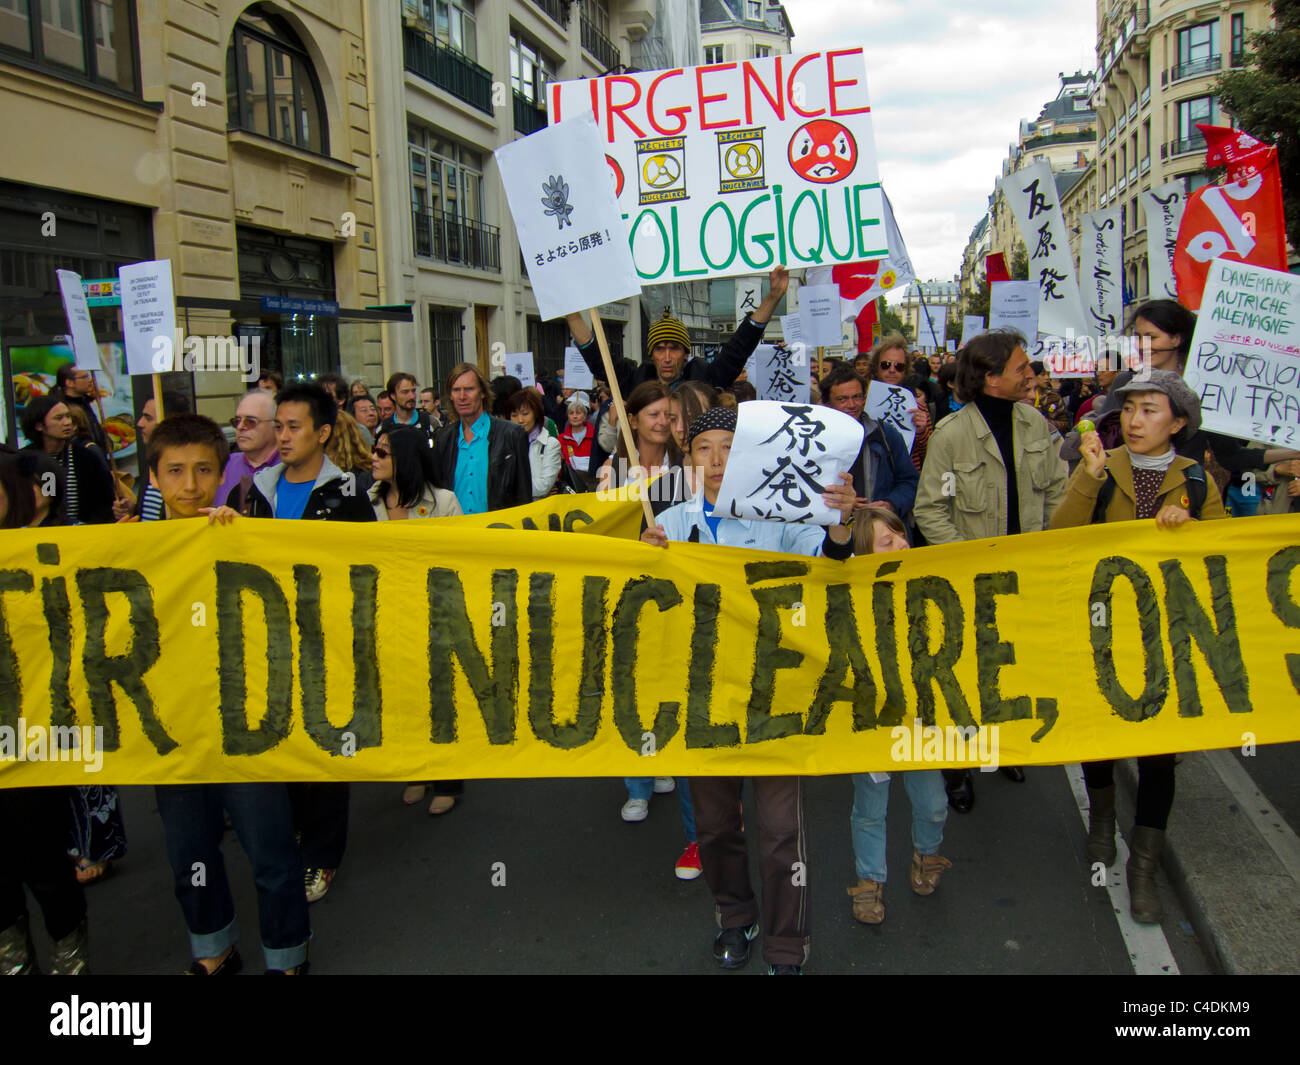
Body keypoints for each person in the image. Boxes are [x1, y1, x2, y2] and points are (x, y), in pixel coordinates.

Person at [641, 406, 856, 974]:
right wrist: (644, 563)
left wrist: (838, 523)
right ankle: (736, 916)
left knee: (782, 831)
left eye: (728, 448)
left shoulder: (776, 514)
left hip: (774, 699)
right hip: (703, 699)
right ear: (688, 459)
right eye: (703, 448)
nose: (715, 462)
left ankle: (787, 945)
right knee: (714, 826)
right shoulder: (670, 523)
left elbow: (828, 564)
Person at [1050, 370, 1227, 924]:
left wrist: (1191, 526)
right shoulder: (1102, 467)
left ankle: (1144, 866)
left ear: (1178, 423)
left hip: (1167, 635)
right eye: (1129, 409)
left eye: (1150, 410)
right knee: (1100, 732)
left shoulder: (1197, 480)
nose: (1134, 419)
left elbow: (1222, 559)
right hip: (1104, 627)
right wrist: (1086, 476)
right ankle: (1102, 822)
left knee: (1158, 752)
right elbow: (1061, 535)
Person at [141, 413, 311, 974]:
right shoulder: (127, 547)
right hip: (175, 730)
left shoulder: (242, 532)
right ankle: (213, 949)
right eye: (174, 471)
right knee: (189, 851)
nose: (189, 485)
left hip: (247, 723)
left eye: (203, 470)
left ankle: (286, 955)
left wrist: (241, 541)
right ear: (153, 477)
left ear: (222, 474)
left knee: (271, 849)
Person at [913, 330, 1068, 811]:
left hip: (1026, 576)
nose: (1031, 374)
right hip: (969, 582)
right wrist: (970, 561)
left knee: (1008, 671)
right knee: (963, 676)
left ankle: (999, 750)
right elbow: (930, 510)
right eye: (1021, 367)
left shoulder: (1036, 424)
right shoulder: (951, 437)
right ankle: (957, 767)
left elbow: (1058, 493)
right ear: (989, 377)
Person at [245, 383, 376, 904]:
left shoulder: (348, 493)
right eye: (277, 425)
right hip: (267, 640)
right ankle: (294, 829)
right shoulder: (257, 491)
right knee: (281, 739)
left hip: (327, 641)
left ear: (322, 433)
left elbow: (368, 568)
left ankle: (322, 853)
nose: (281, 436)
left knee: (323, 745)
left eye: (292, 426)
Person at [0, 452, 90, 974]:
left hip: (33, 732)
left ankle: (70, 962)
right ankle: (13, 959)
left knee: (41, 859)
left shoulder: (50, 550)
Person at [846, 505, 951, 926]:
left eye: (901, 536)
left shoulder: (928, 585)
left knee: (934, 803)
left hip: (919, 718)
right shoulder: (848, 595)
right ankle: (869, 883)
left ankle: (927, 853)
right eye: (886, 543)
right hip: (870, 718)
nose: (901, 545)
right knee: (870, 806)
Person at [368, 426, 465, 814]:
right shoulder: (366, 502)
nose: (373, 457)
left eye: (382, 452)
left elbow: (459, 560)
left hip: (434, 614)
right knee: (400, 697)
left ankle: (446, 779)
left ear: (404, 458)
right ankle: (415, 772)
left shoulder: (443, 501)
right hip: (385, 616)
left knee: (439, 698)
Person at [567, 266, 789, 395]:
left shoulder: (706, 378)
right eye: (660, 349)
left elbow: (740, 346)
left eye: (674, 348)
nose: (666, 357)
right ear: (651, 354)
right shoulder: (637, 381)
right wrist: (569, 309)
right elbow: (597, 359)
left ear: (685, 353)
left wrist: (774, 295)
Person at [818, 364, 918, 522]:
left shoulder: (885, 435)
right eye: (842, 399)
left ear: (864, 399)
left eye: (857, 397)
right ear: (827, 404)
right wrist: (840, 502)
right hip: (833, 531)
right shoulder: (815, 442)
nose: (851, 405)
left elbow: (909, 481)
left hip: (879, 527)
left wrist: (891, 504)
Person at [430, 364, 532, 515]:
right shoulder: (443, 439)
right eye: (456, 390)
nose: (462, 396)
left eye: (469, 389)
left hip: (497, 532)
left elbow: (523, 496)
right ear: (450, 396)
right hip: (455, 532)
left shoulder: (512, 435)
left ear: (483, 392)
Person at [20, 396, 115, 526]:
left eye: (68, 416)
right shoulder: (25, 460)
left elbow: (105, 503)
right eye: (59, 418)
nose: (67, 422)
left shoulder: (86, 456)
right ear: (39, 426)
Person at [598, 381, 688, 515]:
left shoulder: (685, 466)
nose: (663, 422)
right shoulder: (612, 469)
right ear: (633, 421)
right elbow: (607, 521)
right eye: (654, 414)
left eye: (668, 415)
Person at [121, 391, 191, 521]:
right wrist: (134, 510)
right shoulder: (153, 461)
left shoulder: (188, 469)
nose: (140, 423)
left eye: (148, 418)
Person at [869, 334, 933, 470]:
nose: (892, 370)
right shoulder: (861, 402)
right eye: (886, 365)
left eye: (899, 366)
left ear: (906, 370)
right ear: (876, 366)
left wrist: (921, 431)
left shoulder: (917, 407)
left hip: (905, 480)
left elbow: (930, 454)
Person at [215, 390, 278, 509]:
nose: (240, 427)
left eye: (250, 421)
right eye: (237, 421)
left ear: (275, 425)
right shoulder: (223, 465)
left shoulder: (290, 469)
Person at [505, 389, 561, 499]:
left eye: (525, 414)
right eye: (514, 415)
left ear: (535, 413)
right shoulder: (503, 444)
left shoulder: (550, 444)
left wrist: (509, 489)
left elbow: (544, 486)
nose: (520, 420)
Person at [54, 364, 109, 452]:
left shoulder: (83, 400)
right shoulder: (64, 409)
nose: (90, 380)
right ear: (69, 383)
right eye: (85, 377)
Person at [381, 372, 435, 438]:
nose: (412, 396)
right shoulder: (386, 426)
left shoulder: (429, 420)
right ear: (393, 396)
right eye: (405, 392)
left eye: (413, 391)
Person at [558, 392, 594, 477]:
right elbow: (558, 464)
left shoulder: (595, 436)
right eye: (571, 413)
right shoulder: (561, 439)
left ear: (585, 416)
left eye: (578, 413)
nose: (574, 416)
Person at [1030, 360, 1071, 435]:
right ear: (1033, 376)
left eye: (1048, 374)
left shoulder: (1054, 397)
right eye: (1043, 374)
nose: (1047, 378)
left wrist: (1049, 424)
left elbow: (1065, 423)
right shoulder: (1025, 398)